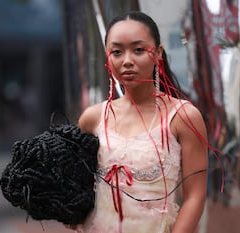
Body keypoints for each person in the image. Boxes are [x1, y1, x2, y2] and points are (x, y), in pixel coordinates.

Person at [76, 11, 208, 233]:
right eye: (117, 52)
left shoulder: (183, 117)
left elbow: (195, 196)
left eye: (138, 50)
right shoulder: (92, 118)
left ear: (158, 53)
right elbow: (77, 186)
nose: (127, 61)